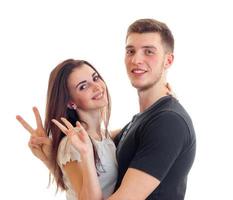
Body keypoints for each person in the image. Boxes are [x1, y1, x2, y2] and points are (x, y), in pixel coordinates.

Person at [57, 18, 196, 200]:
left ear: (168, 60)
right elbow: (101, 141)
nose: (136, 59)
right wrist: (51, 154)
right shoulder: (141, 121)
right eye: (131, 51)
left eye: (149, 52)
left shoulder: (168, 122)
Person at [16, 59, 118, 199]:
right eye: (83, 86)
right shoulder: (72, 144)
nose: (97, 87)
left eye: (95, 78)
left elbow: (118, 134)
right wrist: (86, 154)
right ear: (71, 102)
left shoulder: (102, 135)